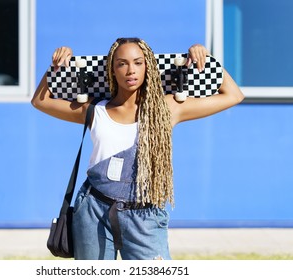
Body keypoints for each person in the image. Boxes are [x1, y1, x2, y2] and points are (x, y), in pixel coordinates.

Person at [32, 37, 244, 260]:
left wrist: (207, 60)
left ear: (148, 67)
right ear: (112, 70)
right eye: (122, 63)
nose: (130, 70)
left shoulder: (168, 108)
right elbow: (40, 102)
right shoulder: (94, 109)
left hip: (146, 214)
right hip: (94, 210)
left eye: (138, 62)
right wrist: (54, 68)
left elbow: (233, 95)